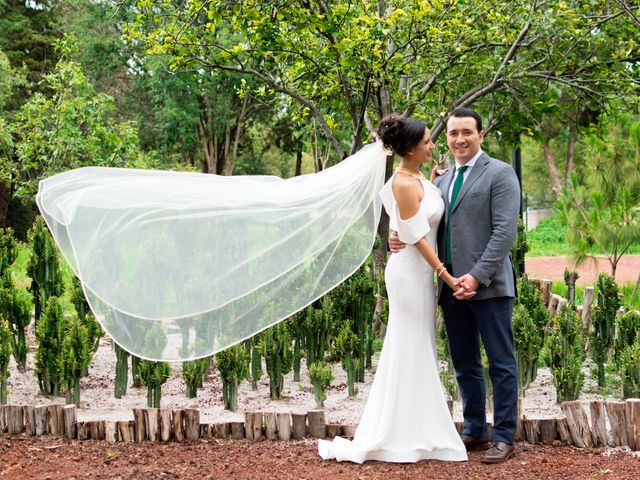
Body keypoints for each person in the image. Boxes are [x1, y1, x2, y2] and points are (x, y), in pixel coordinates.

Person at [318, 114, 468, 463]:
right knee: (409, 343)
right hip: (409, 274)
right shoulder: (402, 182)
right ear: (412, 148)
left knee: (419, 344)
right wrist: (445, 276)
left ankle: (415, 425)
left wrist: (432, 183)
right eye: (428, 141)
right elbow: (415, 236)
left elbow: (412, 219)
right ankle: (402, 431)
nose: (434, 145)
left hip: (419, 273)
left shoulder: (417, 177)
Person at [390, 107, 521, 463]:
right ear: (446, 138)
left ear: (481, 135)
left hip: (489, 285)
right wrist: (396, 236)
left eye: (466, 132)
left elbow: (505, 232)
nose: (459, 139)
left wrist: (476, 275)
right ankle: (475, 430)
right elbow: (422, 221)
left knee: (501, 362)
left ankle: (505, 436)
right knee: (464, 362)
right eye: (452, 133)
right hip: (450, 287)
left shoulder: (501, 174)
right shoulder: (441, 180)